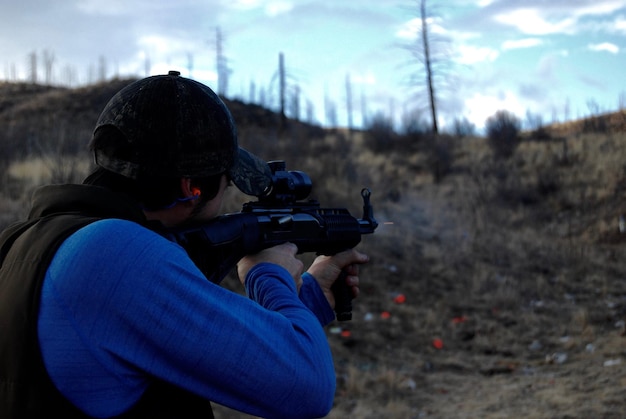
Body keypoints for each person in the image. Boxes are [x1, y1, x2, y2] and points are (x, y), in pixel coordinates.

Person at [0, 70, 369, 419]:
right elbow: (308, 389)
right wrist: (268, 275)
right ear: (189, 189)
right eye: (228, 183)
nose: (227, 195)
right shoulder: (116, 254)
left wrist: (309, 302)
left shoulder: (23, 240)